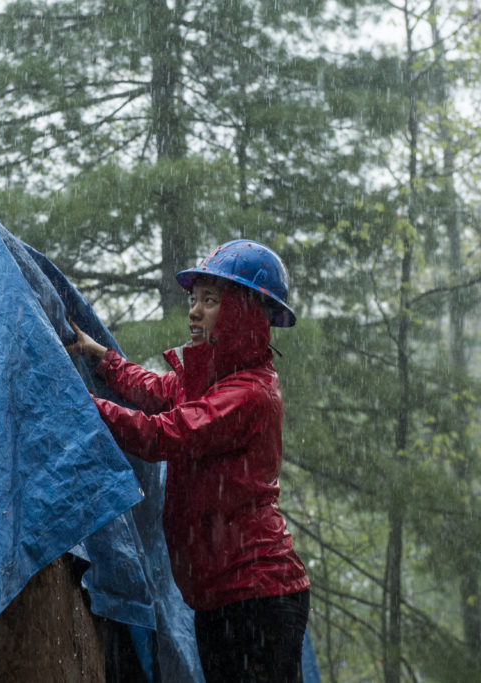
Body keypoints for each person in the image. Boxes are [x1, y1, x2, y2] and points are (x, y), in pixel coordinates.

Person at [67, 239, 310, 682]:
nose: (194, 312)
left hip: (257, 598)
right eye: (193, 300)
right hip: (220, 597)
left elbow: (164, 434)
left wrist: (75, 402)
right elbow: (158, 391)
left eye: (211, 301)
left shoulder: (249, 393)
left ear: (243, 314)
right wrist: (102, 357)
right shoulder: (216, 381)